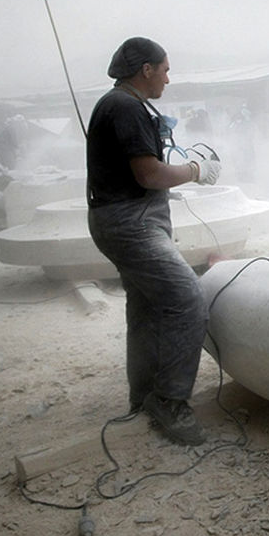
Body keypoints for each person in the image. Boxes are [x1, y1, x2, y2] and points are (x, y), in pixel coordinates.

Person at [85, 37, 222, 445]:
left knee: (145, 305)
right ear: (145, 69)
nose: (167, 76)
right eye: (164, 68)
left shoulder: (122, 104)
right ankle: (170, 400)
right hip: (132, 223)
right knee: (186, 299)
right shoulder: (126, 107)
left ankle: (142, 394)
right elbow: (149, 175)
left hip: (121, 217)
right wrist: (196, 170)